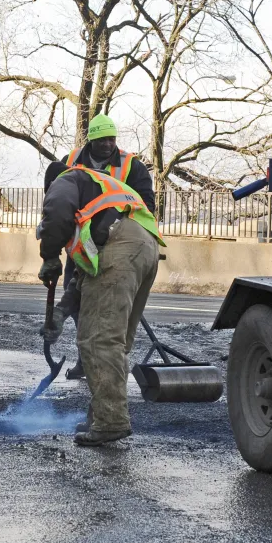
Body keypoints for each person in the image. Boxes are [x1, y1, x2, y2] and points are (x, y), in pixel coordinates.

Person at [37, 158, 166, 446]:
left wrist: (48, 254)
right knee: (115, 340)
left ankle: (111, 421)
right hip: (146, 248)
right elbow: (85, 275)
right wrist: (59, 313)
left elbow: (55, 213)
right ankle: (102, 415)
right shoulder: (98, 196)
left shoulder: (66, 180)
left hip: (123, 248)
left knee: (98, 341)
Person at [59, 114, 155, 380]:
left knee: (111, 307)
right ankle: (85, 358)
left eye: (112, 139)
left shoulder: (131, 166)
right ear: (91, 140)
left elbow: (147, 204)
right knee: (77, 298)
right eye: (102, 140)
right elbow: (60, 196)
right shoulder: (71, 161)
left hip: (118, 243)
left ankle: (109, 363)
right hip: (82, 240)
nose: (108, 145)